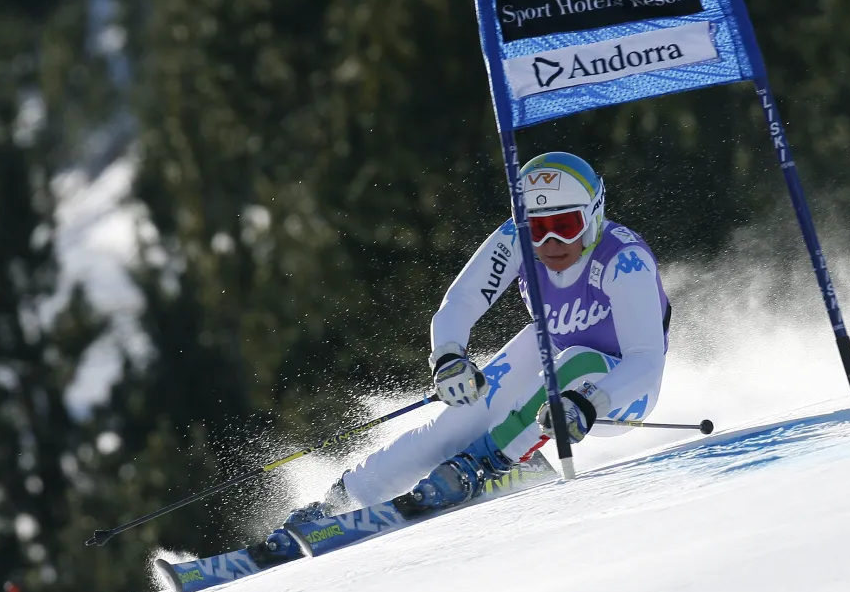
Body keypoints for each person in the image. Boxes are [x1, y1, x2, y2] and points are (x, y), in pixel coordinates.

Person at [257, 152, 671, 560]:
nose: (550, 242)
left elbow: (646, 362)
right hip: (558, 368)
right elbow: (462, 300)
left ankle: (490, 464)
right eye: (537, 230)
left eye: (566, 226)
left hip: (620, 396)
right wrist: (449, 358)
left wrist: (587, 402)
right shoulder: (514, 240)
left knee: (577, 361)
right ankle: (343, 500)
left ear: (594, 215)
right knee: (457, 421)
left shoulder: (623, 260)